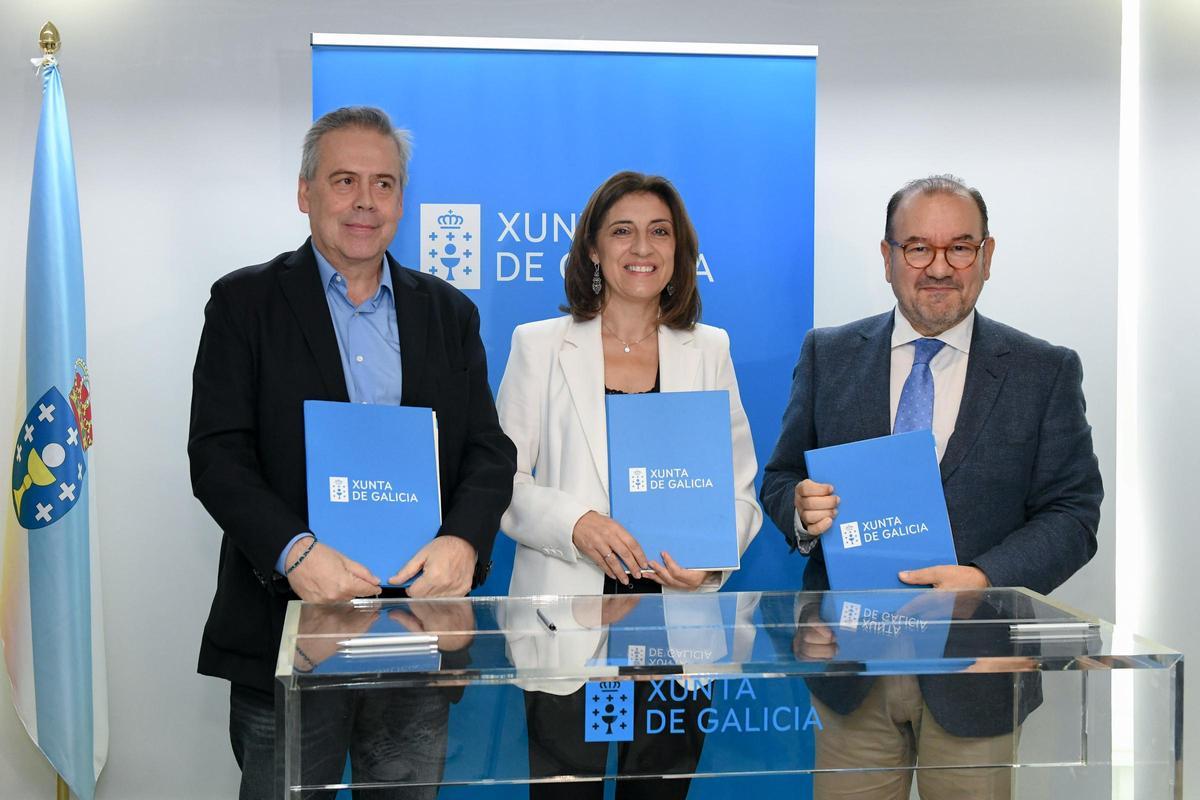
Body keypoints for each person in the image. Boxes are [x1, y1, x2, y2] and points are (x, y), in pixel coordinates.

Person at [188, 105, 516, 798]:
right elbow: (218, 456)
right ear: (305, 193)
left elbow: (487, 452)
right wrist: (296, 553)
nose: (366, 201)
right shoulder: (245, 303)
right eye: (344, 181)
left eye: (385, 183)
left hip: (413, 634)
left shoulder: (449, 313)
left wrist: (462, 541)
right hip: (290, 636)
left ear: (402, 198)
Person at [759, 174, 1103, 799]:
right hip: (851, 669)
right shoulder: (828, 355)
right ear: (887, 258)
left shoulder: (1044, 370)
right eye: (917, 247)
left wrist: (983, 577)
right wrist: (801, 513)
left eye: (960, 248)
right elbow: (781, 480)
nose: (938, 267)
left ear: (988, 256)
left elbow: (1073, 515)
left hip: (979, 668)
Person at [495, 170, 763, 798]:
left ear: (679, 251)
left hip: (674, 631)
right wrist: (575, 525)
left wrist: (709, 563)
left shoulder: (709, 349)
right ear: (592, 248)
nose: (642, 248)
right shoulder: (539, 346)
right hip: (570, 626)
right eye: (623, 231)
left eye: (659, 232)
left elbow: (741, 492)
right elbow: (499, 482)